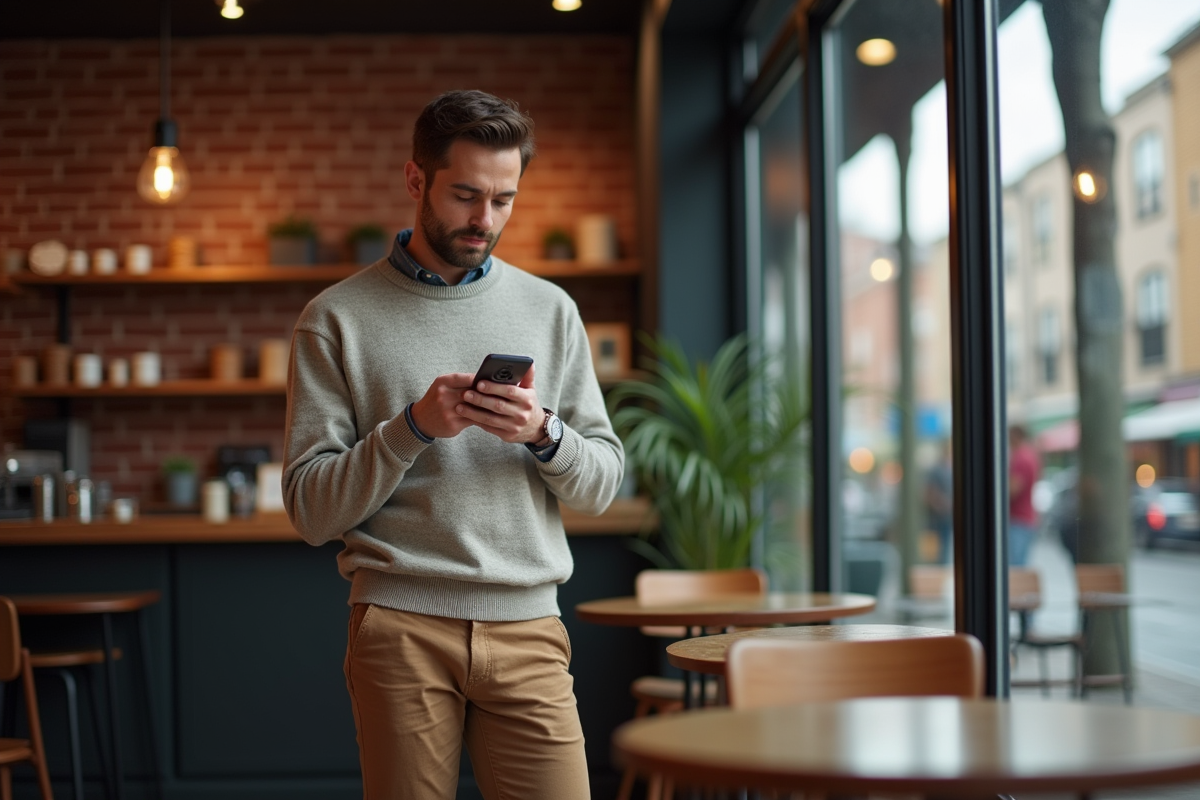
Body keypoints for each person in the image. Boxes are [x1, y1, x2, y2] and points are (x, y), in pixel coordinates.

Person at [283, 89, 624, 800]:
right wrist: (411, 430)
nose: (485, 220)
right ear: (416, 180)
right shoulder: (335, 319)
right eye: (467, 195)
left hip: (529, 626)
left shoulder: (551, 310)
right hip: (400, 629)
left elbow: (600, 484)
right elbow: (310, 512)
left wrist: (541, 432)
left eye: (504, 199)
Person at [1008, 425, 1041, 566]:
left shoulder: (1021, 457)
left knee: (1015, 570)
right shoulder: (1030, 455)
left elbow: (1014, 489)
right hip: (1026, 518)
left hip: (1018, 519)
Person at [923, 439, 953, 564]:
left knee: (946, 549)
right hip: (938, 517)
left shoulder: (950, 468)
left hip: (948, 517)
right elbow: (930, 493)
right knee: (937, 552)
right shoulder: (936, 469)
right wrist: (943, 504)